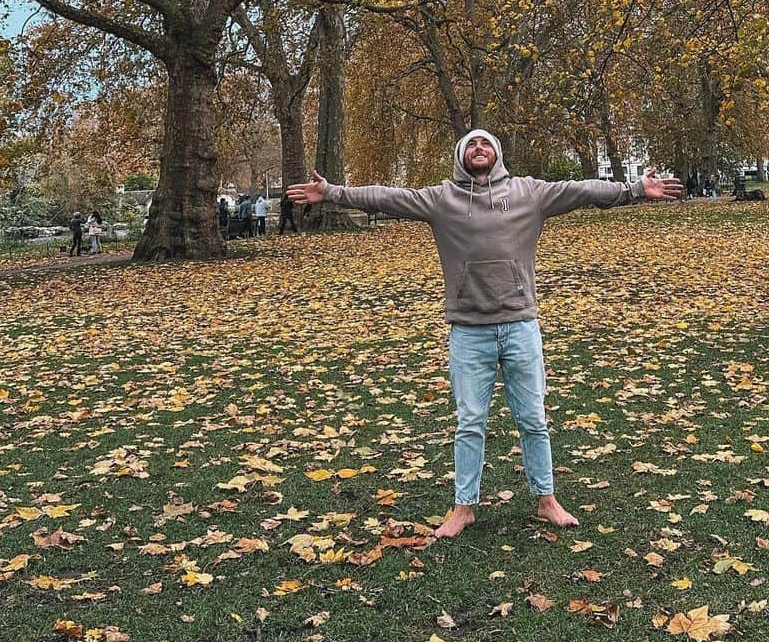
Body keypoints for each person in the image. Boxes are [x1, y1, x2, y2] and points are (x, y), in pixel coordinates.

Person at [287, 130, 683, 540]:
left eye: (485, 144)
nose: (479, 149)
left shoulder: (529, 193)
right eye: (470, 145)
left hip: (520, 327)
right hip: (469, 332)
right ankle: (464, 508)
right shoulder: (442, 199)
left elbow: (583, 190)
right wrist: (332, 192)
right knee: (470, 422)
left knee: (532, 419)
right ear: (460, 155)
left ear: (497, 153)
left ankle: (546, 500)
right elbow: (387, 197)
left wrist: (634, 187)